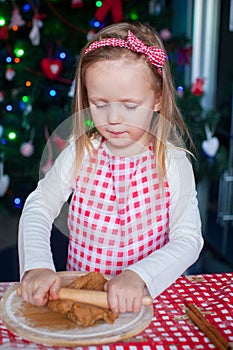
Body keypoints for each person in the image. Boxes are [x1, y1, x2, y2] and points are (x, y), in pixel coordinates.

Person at [18, 22, 203, 314]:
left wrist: (140, 276)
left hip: (146, 304)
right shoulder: (81, 152)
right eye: (100, 104)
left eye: (130, 106)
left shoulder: (172, 161)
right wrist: (37, 266)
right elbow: (39, 206)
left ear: (157, 99)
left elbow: (189, 239)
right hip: (82, 302)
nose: (113, 118)